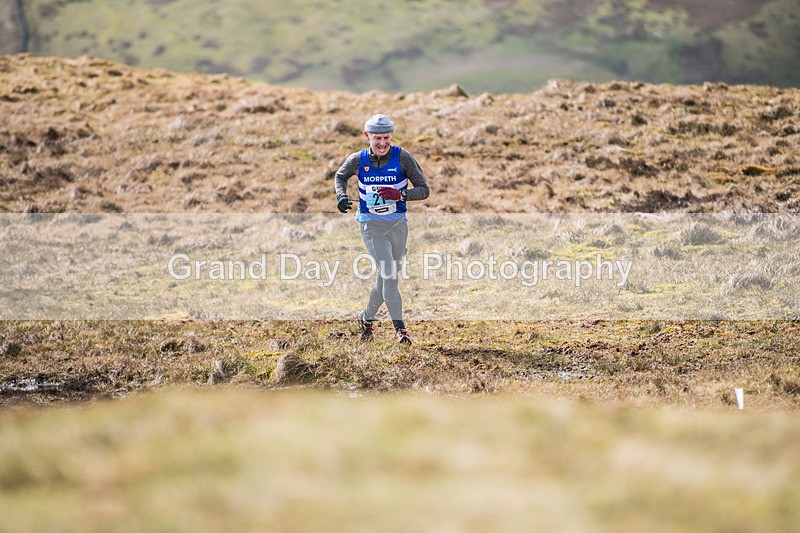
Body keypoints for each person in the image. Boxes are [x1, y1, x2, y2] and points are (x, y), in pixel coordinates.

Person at [334, 114, 430, 344]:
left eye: (386, 138)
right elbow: (340, 176)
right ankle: (401, 330)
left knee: (386, 278)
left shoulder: (403, 157)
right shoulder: (358, 160)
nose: (383, 143)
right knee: (389, 275)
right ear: (367, 136)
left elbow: (424, 190)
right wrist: (342, 196)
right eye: (377, 138)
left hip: (398, 226)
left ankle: (366, 318)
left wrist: (400, 194)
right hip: (371, 226)